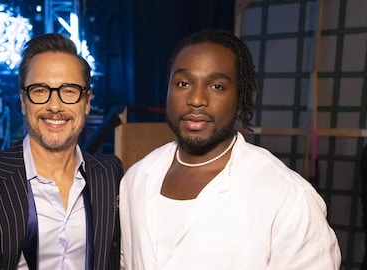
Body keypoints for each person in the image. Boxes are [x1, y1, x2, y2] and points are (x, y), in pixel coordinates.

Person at [119, 30, 341, 269]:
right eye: (183, 83)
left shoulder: (286, 196)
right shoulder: (136, 178)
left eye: (216, 86)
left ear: (240, 98)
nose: (196, 99)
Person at [0, 33, 124, 270]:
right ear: (23, 100)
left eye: (70, 91)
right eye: (40, 90)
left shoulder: (110, 175)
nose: (55, 106)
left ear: (86, 101)